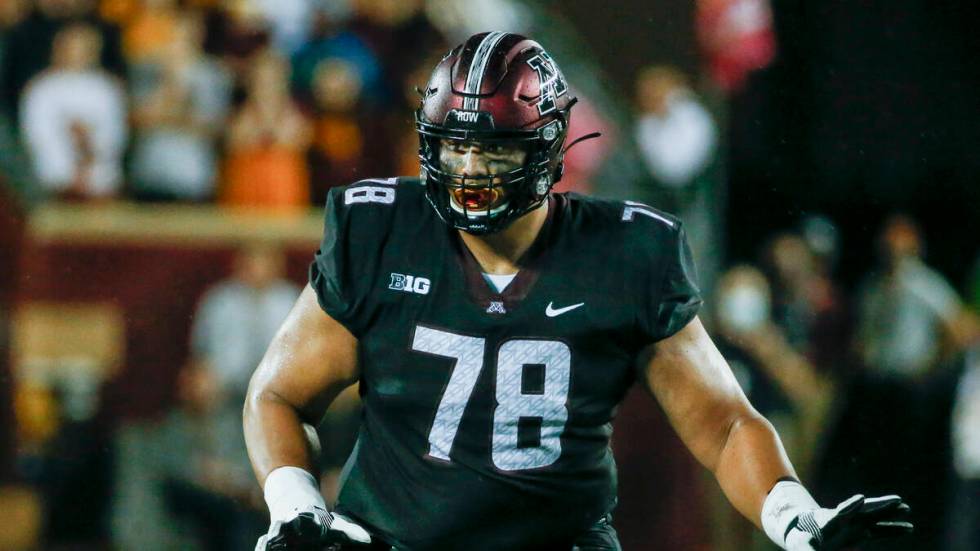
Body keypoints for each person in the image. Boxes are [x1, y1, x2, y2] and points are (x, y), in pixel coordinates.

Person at [244, 32, 912, 551]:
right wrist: (297, 506)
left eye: (495, 151)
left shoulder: (622, 253)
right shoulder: (383, 229)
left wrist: (796, 514)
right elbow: (279, 391)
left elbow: (722, 420)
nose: (470, 170)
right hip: (389, 539)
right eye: (454, 149)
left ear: (548, 144)